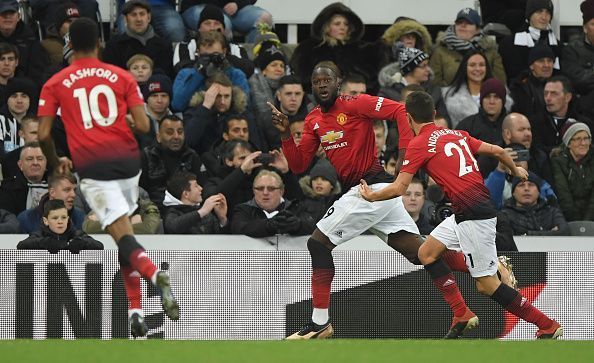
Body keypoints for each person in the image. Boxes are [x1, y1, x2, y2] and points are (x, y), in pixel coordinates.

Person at [270, 61, 480, 340]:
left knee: (317, 243)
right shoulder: (313, 120)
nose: (322, 85)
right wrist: (286, 134)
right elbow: (298, 166)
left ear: (338, 82)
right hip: (375, 193)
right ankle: (475, 289)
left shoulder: (357, 104)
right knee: (421, 253)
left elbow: (402, 111)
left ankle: (320, 323)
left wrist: (405, 157)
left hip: (370, 188)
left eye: (327, 80)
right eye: (317, 81)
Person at [360, 90, 562, 339]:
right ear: (434, 114)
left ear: (409, 118)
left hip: (474, 216)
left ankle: (546, 324)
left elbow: (399, 188)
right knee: (426, 252)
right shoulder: (457, 134)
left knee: (486, 286)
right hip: (465, 211)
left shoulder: (418, 143)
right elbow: (499, 151)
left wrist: (371, 195)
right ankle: (461, 313)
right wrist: (517, 169)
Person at [37, 18, 179, 339]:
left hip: (93, 165)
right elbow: (144, 127)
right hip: (129, 162)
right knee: (121, 232)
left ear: (69, 44)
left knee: (122, 234)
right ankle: (135, 310)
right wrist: (126, 119)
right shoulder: (122, 76)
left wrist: (55, 159)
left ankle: (155, 275)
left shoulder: (56, 82)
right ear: (99, 43)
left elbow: (43, 133)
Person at [140, 114, 206, 210]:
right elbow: (139, 191)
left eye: (180, 132)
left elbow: (202, 189)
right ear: (158, 137)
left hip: (186, 211)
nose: (176, 136)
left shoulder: (192, 156)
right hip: (155, 211)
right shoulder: (147, 156)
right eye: (170, 132)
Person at [430, 7, 506, 87]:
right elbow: (434, 84)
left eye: (468, 23)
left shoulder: (490, 50)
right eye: (459, 22)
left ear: (477, 29)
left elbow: (500, 83)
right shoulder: (440, 51)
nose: (463, 25)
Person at [231, 169, 313, 237]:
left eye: (271, 188)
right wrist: (267, 226)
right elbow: (238, 229)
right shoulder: (243, 209)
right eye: (260, 188)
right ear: (253, 191)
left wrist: (298, 226)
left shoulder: (296, 207)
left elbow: (312, 227)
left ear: (281, 191)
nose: (265, 192)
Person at [102, 0, 174, 79]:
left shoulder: (164, 46)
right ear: (126, 19)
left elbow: (166, 79)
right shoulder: (113, 46)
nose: (138, 19)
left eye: (142, 14)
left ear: (149, 17)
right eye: (133, 15)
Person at [441, 50, 513, 128]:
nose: (477, 69)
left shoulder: (501, 93)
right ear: (464, 68)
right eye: (472, 65)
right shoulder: (449, 97)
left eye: (481, 65)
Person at [456, 78, 508, 177]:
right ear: (481, 100)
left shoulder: (512, 124)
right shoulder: (466, 126)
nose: (492, 101)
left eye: (496, 97)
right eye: (487, 97)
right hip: (474, 180)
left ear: (503, 100)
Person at [499, 0, 560, 82]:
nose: (544, 17)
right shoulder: (509, 44)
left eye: (548, 13)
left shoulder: (557, 45)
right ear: (529, 15)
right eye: (539, 12)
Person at [17, 199, 103, 253]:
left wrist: (82, 243)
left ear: (68, 219)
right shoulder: (39, 235)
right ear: (46, 221)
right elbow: (21, 246)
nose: (60, 221)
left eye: (63, 217)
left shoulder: (77, 234)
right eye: (55, 218)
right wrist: (44, 242)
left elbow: (99, 246)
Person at [551, 121, 594, 221]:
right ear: (569, 143)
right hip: (568, 216)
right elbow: (564, 195)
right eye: (578, 139)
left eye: (586, 138)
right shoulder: (559, 162)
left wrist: (587, 222)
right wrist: (577, 223)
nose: (583, 143)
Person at [502, 173, 569, 235]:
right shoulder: (504, 215)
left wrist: (527, 234)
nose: (526, 189)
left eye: (531, 185)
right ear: (513, 193)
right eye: (521, 185)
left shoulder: (552, 213)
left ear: (539, 191)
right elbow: (507, 238)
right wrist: (549, 233)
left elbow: (564, 232)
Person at [17, 171, 85, 233]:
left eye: (74, 190)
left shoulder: (81, 219)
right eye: (67, 190)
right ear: (52, 192)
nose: (73, 195)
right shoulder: (26, 219)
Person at [163, 171, 227, 234]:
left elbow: (220, 238)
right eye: (196, 186)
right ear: (186, 194)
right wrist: (202, 211)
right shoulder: (172, 213)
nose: (201, 188)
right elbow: (173, 227)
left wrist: (222, 218)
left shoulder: (205, 212)